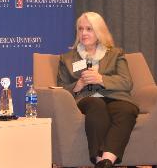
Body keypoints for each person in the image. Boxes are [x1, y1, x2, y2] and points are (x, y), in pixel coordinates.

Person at [57, 12, 139, 168]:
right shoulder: (67, 58)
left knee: (127, 109)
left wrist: (101, 79)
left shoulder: (115, 54)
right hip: (87, 99)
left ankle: (105, 161)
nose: (84, 33)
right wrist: (78, 85)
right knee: (97, 106)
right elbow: (59, 89)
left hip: (115, 97)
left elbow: (126, 82)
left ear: (99, 31)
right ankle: (102, 160)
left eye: (89, 29)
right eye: (80, 29)